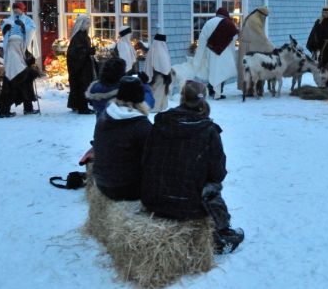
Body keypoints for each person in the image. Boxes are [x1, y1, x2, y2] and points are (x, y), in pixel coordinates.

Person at [140, 80, 245, 254]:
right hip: (189, 207)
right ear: (204, 101)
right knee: (213, 185)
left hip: (153, 200)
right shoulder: (209, 130)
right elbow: (218, 173)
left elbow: (146, 158)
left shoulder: (161, 123)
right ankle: (222, 231)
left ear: (182, 97)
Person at [92, 75, 151, 201]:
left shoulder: (105, 115)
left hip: (101, 181)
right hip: (127, 188)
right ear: (140, 99)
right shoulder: (141, 125)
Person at [194, 8, 239, 100]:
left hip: (211, 50)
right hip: (225, 52)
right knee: (221, 72)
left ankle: (214, 91)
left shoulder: (209, 23)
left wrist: (199, 56)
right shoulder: (229, 24)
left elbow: (202, 39)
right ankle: (218, 93)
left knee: (213, 71)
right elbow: (234, 38)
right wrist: (232, 52)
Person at [0, 21, 39, 118]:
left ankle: (27, 109)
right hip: (14, 76)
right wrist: (31, 71)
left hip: (15, 74)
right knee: (12, 92)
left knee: (24, 89)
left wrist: (30, 63)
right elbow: (20, 65)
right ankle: (5, 111)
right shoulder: (14, 50)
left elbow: (26, 58)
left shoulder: (12, 49)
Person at [237, 7, 273, 94]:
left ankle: (252, 90)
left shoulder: (254, 18)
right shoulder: (255, 21)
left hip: (251, 46)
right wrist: (271, 48)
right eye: (265, 16)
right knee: (252, 68)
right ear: (262, 14)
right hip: (249, 48)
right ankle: (252, 90)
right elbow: (261, 37)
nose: (265, 18)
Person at [67, 15, 96, 114]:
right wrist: (89, 51)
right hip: (79, 66)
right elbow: (76, 52)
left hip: (83, 64)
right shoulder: (78, 36)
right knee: (81, 84)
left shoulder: (83, 35)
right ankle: (82, 107)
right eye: (87, 23)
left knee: (80, 84)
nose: (89, 26)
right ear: (81, 24)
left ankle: (75, 104)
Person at [144, 34, 171, 112]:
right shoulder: (160, 50)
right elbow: (164, 65)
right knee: (157, 93)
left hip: (157, 76)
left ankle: (159, 106)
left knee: (159, 93)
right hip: (158, 76)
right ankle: (155, 108)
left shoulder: (152, 49)